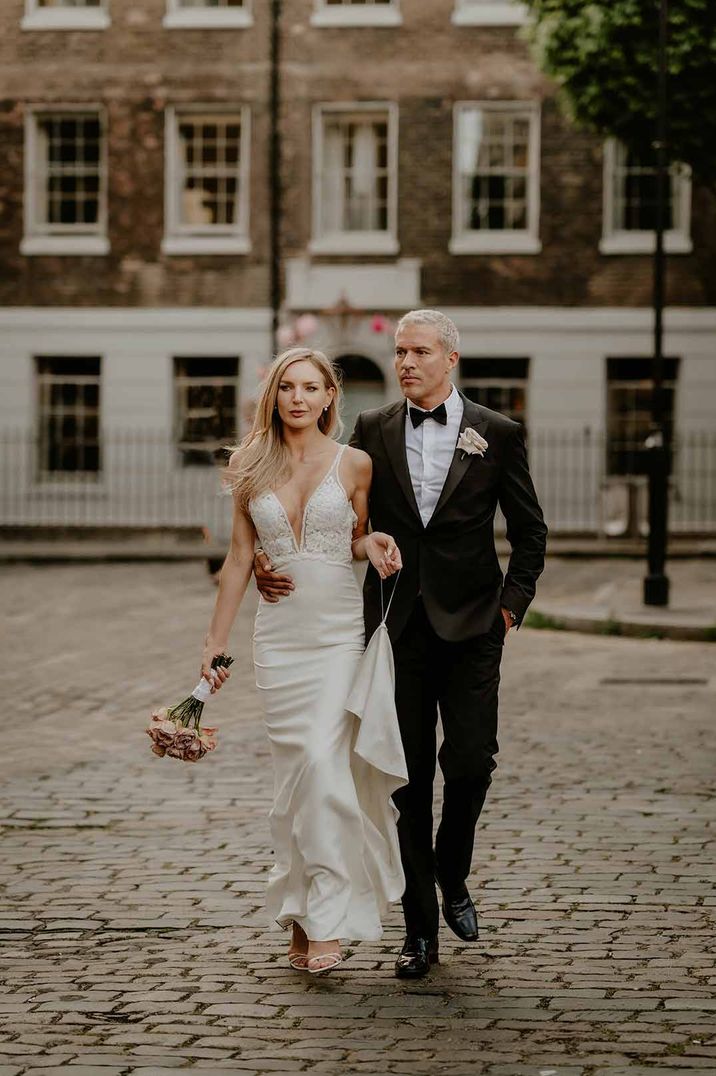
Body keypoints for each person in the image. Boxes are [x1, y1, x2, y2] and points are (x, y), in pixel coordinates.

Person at [256, 309, 548, 979]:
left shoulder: (497, 434)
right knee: (407, 780)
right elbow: (344, 525)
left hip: (476, 627)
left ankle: (454, 868)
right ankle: (419, 932)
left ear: (451, 359)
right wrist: (280, 560)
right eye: (400, 353)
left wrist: (510, 611)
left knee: (471, 761)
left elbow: (530, 532)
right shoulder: (373, 430)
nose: (406, 363)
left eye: (419, 352)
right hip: (395, 630)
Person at [202, 346, 404, 975]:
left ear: (327, 398)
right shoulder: (248, 465)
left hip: (339, 634)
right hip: (280, 641)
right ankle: (301, 910)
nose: (297, 398)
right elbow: (239, 557)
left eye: (310, 388)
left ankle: (329, 915)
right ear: (275, 395)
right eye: (287, 387)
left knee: (323, 764)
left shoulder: (356, 463)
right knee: (296, 780)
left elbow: (353, 538)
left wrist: (373, 546)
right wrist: (214, 642)